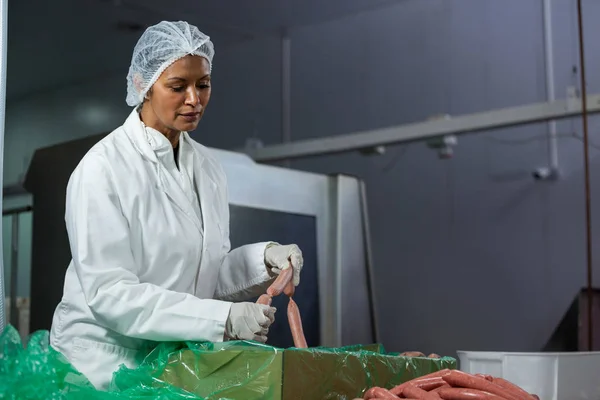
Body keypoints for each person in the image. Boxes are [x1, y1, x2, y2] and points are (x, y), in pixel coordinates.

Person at [49, 20, 304, 391]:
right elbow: (111, 294)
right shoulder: (102, 168)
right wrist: (224, 319)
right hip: (102, 366)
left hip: (169, 362)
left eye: (203, 85)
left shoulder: (208, 168)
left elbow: (204, 272)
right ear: (142, 85)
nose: (193, 99)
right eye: (177, 86)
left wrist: (263, 260)